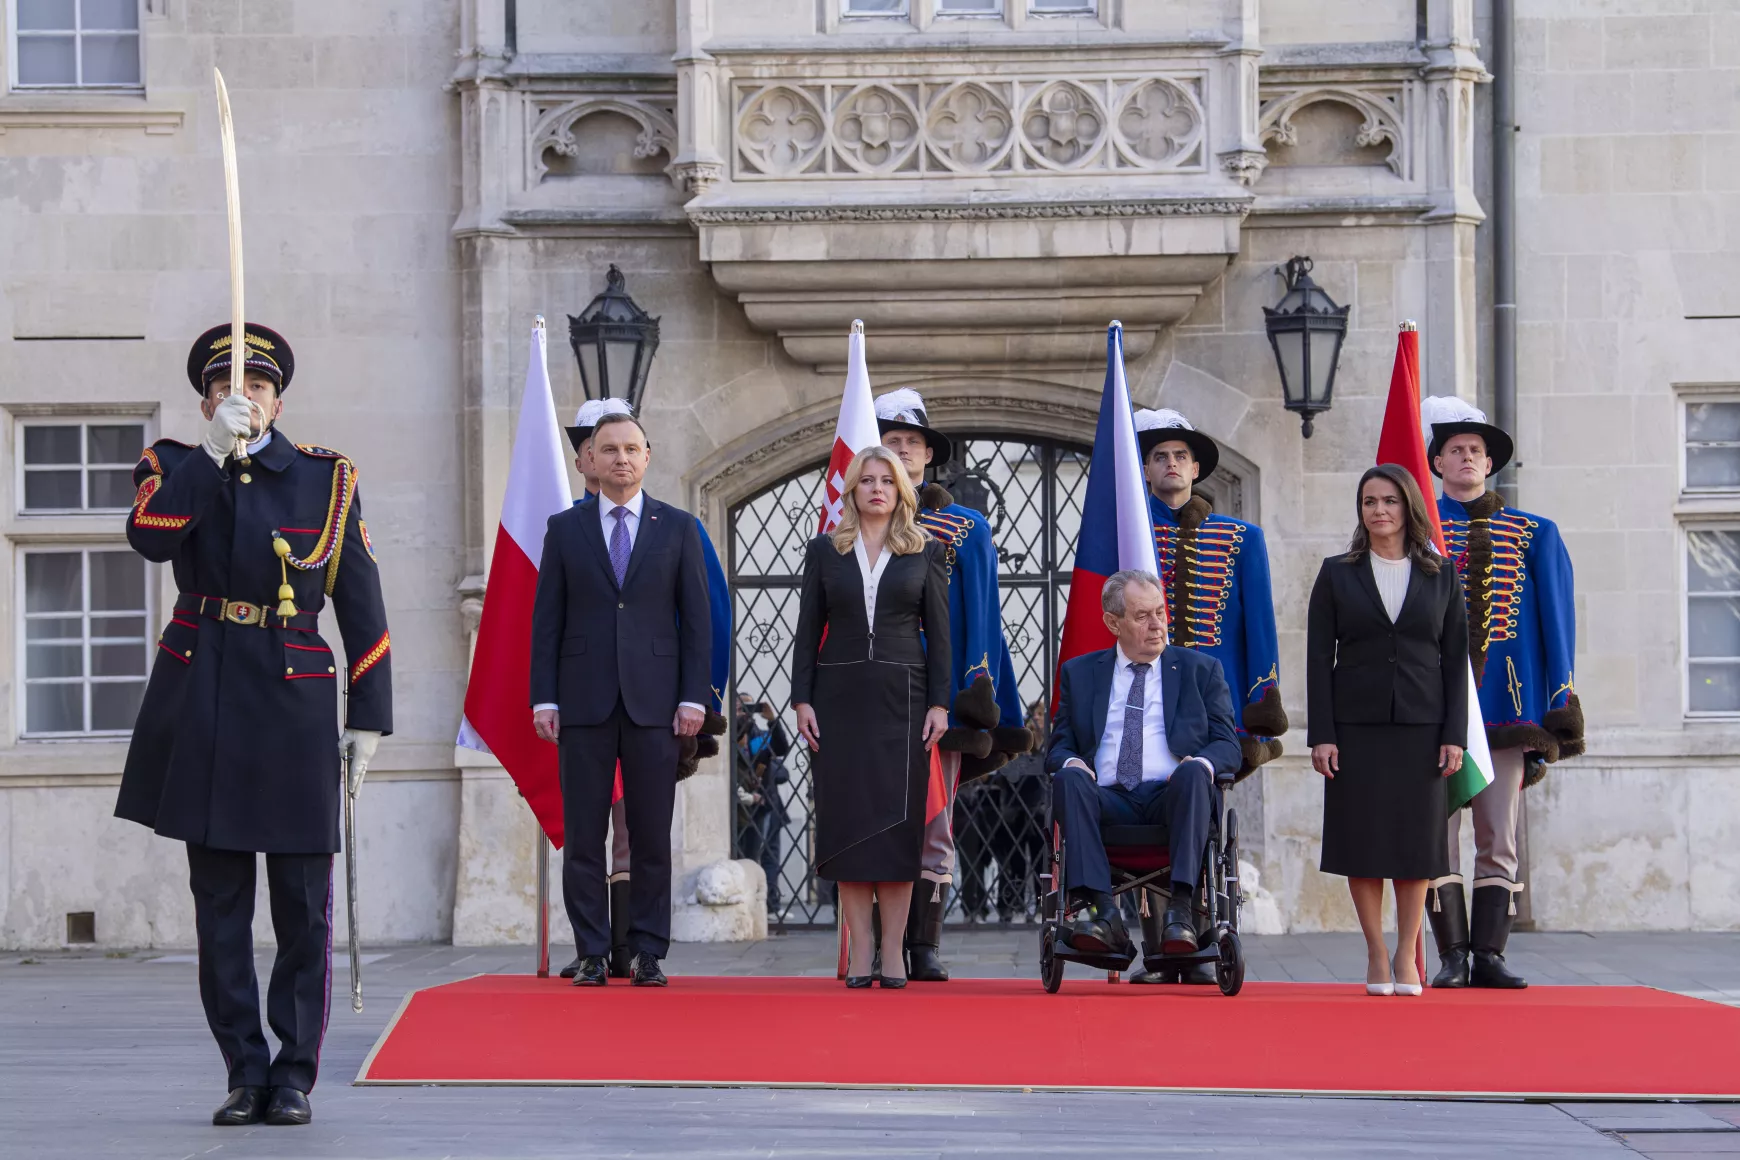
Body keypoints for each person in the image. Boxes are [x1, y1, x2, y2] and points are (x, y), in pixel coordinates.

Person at [115, 323, 392, 1127]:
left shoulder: (325, 480)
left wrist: (368, 719)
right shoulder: (171, 464)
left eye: (259, 387)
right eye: (228, 387)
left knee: (304, 904)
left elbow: (362, 601)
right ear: (207, 397)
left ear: (279, 397)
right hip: (202, 695)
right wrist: (206, 455)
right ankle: (243, 1068)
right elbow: (150, 537)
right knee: (221, 901)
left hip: (297, 697)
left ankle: (296, 1070)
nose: (245, 398)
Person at [530, 411, 712, 988]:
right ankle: (589, 950)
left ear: (648, 456)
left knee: (651, 834)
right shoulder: (565, 528)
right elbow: (547, 622)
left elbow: (698, 623)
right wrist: (544, 699)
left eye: (631, 448)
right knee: (584, 835)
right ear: (590, 460)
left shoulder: (678, 527)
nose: (621, 459)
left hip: (655, 704)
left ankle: (647, 950)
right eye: (608, 449)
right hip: (582, 703)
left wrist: (693, 697)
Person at [1421, 397, 1582, 989]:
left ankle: (1488, 954)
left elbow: (1558, 622)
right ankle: (1451, 956)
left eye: (1476, 451)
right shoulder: (1416, 531)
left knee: (1499, 835)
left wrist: (1559, 700)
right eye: (1455, 450)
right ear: (1437, 462)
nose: (1467, 458)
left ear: (1489, 464)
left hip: (1507, 708)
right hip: (1433, 707)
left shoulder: (1535, 533)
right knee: (1436, 833)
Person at [876, 388, 1030, 981]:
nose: (904, 451)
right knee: (878, 817)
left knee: (935, 821)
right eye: (893, 442)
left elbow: (982, 611)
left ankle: (923, 944)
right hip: (876, 693)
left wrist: (975, 687)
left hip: (938, 695)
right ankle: (882, 942)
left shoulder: (963, 527)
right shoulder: (857, 523)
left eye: (912, 444)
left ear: (927, 457)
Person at [1131, 408, 1287, 984]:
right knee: (1144, 820)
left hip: (1211, 707)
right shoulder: (1126, 531)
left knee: (1201, 820)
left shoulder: (1241, 538)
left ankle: (1193, 941)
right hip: (1141, 701)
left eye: (1180, 456)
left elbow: (1260, 625)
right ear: (1145, 469)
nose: (1170, 465)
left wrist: (1260, 700)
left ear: (1196, 468)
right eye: (1159, 456)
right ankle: (1157, 949)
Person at [791, 445, 951, 988]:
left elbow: (941, 636)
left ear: (901, 490)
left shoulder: (924, 551)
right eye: (867, 480)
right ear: (852, 490)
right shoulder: (824, 551)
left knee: (897, 830)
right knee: (848, 830)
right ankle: (861, 955)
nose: (878, 488)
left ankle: (895, 952)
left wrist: (939, 703)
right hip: (837, 701)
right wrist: (802, 698)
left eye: (888, 480)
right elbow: (807, 629)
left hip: (903, 702)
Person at [1307, 464, 1468, 997]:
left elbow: (1455, 660)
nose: (1379, 510)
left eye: (1390, 501)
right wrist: (1322, 734)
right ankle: (1376, 952)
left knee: (1416, 844)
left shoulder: (1440, 574)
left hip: (1423, 729)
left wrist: (1455, 735)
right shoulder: (1337, 573)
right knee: (1364, 841)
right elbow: (1316, 658)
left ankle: (1407, 956)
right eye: (1370, 501)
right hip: (1355, 729)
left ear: (1409, 508)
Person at [1045, 571, 1242, 959]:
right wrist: (1071, 761)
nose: (1157, 626)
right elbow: (1058, 746)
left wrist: (1201, 763)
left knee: (1193, 773)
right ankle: (1103, 914)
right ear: (1112, 622)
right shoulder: (1080, 674)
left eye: (1160, 613)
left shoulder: (1200, 670)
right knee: (1068, 778)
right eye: (1142, 616)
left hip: (1173, 795)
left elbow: (1228, 745)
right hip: (1107, 798)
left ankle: (1181, 912)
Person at [733, 692, 792, 912]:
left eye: (750, 707)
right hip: (738, 810)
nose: (746, 712)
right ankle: (745, 905)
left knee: (765, 854)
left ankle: (768, 906)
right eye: (741, 708)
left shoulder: (757, 738)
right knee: (743, 855)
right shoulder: (730, 737)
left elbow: (781, 747)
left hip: (761, 808)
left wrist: (772, 719)